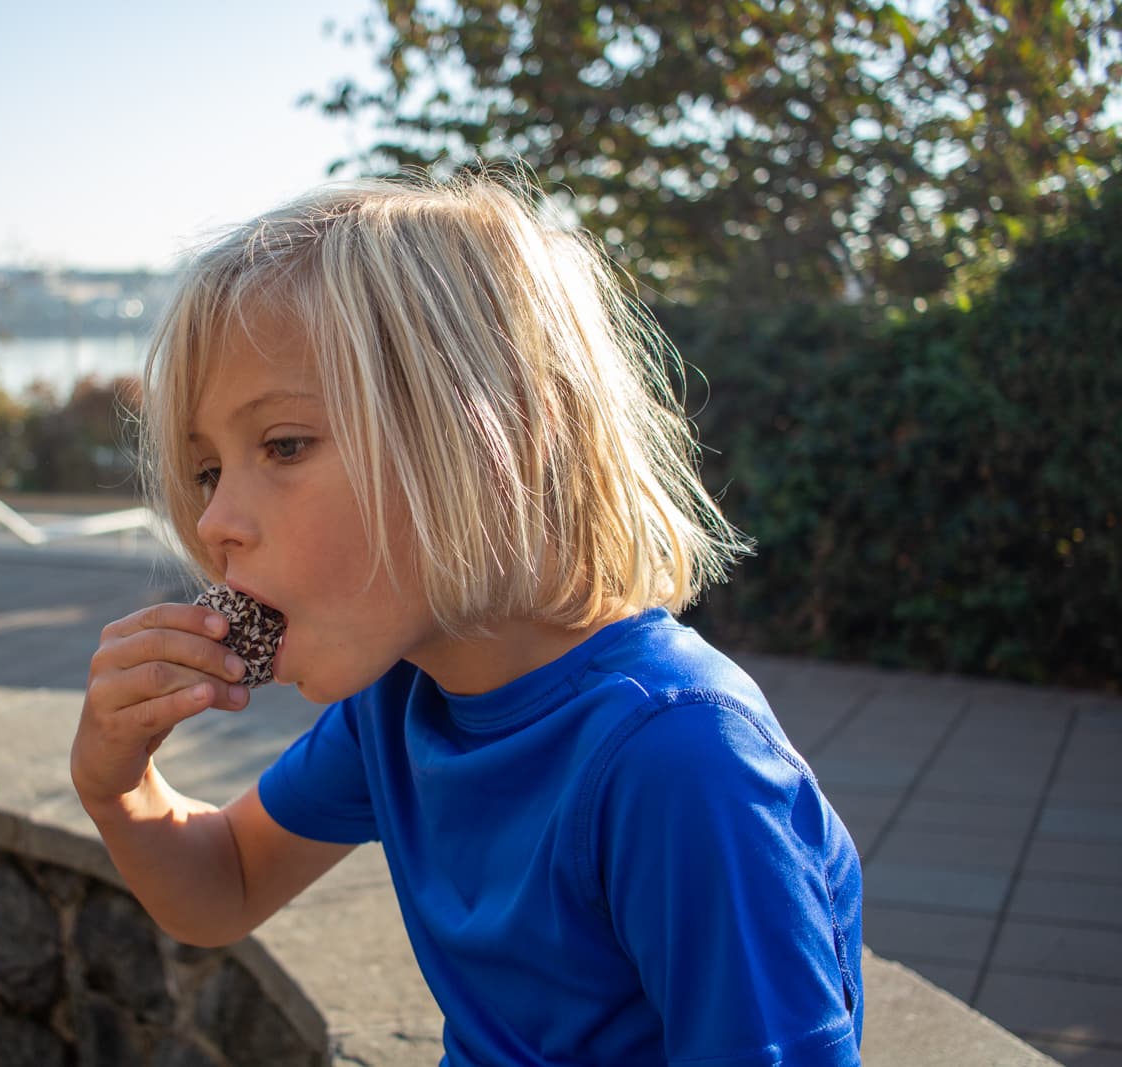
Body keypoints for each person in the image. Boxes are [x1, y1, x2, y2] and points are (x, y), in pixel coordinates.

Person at [70, 171, 864, 1066]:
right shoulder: (403, 704)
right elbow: (227, 884)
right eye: (209, 470)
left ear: (499, 436)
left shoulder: (678, 763)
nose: (213, 523)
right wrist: (118, 784)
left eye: (283, 444)